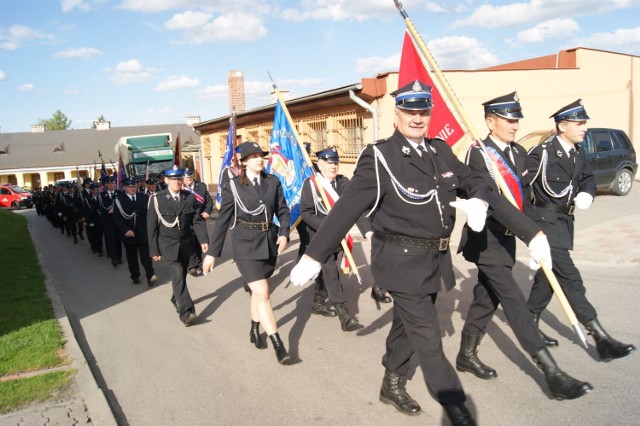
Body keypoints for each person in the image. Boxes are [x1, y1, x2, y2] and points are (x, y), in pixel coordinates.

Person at [291, 80, 493, 425]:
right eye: (409, 111)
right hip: (400, 262)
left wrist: (479, 197)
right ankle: (457, 408)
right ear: (396, 114)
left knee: (406, 326)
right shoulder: (379, 156)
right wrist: (313, 256)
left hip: (433, 261)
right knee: (428, 337)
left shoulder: (439, 150)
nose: (417, 118)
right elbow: (348, 206)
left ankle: (391, 383)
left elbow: (471, 175)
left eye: (423, 111)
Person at [456, 92, 592, 400]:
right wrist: (529, 233)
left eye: (516, 119)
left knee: (485, 298)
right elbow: (491, 198)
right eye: (508, 119)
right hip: (486, 238)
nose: (515, 125)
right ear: (490, 122)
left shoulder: (518, 153)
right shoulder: (479, 153)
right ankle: (552, 372)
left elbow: (524, 203)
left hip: (507, 237)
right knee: (514, 300)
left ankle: (466, 355)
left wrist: (539, 235)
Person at [526, 99, 636, 360]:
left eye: (584, 122)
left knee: (546, 282)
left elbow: (587, 179)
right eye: (579, 123)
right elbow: (520, 191)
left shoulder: (578, 153)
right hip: (545, 225)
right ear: (562, 126)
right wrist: (530, 233)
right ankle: (601, 337)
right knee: (571, 278)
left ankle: (528, 324)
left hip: (564, 224)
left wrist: (587, 194)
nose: (584, 127)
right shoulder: (542, 153)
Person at [202, 142, 291, 365]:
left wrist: (284, 232)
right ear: (243, 162)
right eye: (253, 157)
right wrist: (213, 253)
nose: (259, 159)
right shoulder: (232, 186)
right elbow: (223, 220)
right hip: (245, 245)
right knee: (263, 292)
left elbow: (283, 210)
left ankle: (253, 328)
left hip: (268, 243)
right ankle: (278, 343)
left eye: (261, 155)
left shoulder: (273, 181)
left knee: (258, 293)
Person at [300, 146, 372, 330]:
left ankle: (318, 301)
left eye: (335, 163)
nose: (333, 166)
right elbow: (306, 213)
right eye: (329, 163)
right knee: (331, 271)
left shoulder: (343, 182)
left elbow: (356, 207)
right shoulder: (311, 184)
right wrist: (328, 228)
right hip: (320, 237)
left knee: (327, 271)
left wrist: (368, 231)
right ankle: (344, 315)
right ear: (320, 164)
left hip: (339, 236)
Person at [147, 167, 208, 326]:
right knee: (178, 275)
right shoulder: (157, 199)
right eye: (173, 179)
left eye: (179, 179)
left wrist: (203, 240)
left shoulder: (189, 197)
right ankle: (187, 313)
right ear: (166, 180)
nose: (177, 182)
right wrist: (154, 250)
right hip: (168, 245)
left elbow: (197, 221)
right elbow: (152, 227)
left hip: (186, 245)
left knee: (181, 275)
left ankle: (176, 297)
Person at [114, 178, 156, 286]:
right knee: (132, 258)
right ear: (125, 188)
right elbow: (117, 218)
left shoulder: (143, 197)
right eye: (130, 186)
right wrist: (125, 230)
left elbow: (150, 214)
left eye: (134, 186)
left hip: (143, 233)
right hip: (129, 234)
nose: (132, 188)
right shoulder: (119, 200)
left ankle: (150, 276)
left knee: (146, 257)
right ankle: (135, 276)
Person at [183, 168, 213, 277]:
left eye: (190, 177)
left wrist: (207, 211)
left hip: (199, 219)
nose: (189, 179)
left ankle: (199, 262)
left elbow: (209, 201)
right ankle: (192, 265)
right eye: (186, 177)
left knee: (199, 241)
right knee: (189, 242)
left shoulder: (201, 186)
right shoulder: (181, 189)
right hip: (187, 220)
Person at [99, 176, 123, 267]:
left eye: (113, 183)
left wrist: (115, 209)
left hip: (118, 221)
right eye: (109, 183)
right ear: (106, 185)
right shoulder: (102, 195)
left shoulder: (119, 193)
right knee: (111, 240)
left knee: (118, 240)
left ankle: (119, 257)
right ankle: (114, 258)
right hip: (108, 222)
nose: (111, 185)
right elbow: (103, 207)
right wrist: (111, 208)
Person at [81, 182, 104, 256]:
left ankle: (99, 249)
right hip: (91, 220)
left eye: (97, 189)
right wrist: (87, 221)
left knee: (99, 236)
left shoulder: (101, 197)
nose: (96, 191)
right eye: (94, 189)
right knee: (93, 236)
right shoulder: (87, 199)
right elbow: (86, 211)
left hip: (100, 220)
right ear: (91, 190)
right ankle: (94, 247)